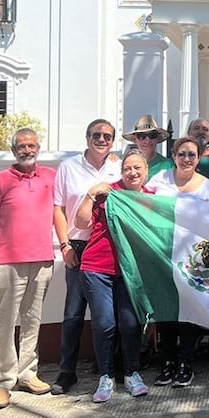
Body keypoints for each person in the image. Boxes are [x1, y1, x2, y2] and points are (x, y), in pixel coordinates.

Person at [0, 128, 56, 409]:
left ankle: (27, 374)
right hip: (8, 261)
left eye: (32, 145)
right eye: (22, 146)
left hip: (42, 259)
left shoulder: (50, 177)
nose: (27, 150)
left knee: (32, 319)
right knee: (4, 322)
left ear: (38, 147)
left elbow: (61, 209)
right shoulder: (2, 180)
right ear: (14, 151)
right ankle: (3, 382)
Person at [74, 151, 153, 403]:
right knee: (105, 324)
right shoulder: (108, 193)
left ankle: (132, 374)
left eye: (138, 168)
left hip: (131, 273)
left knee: (130, 325)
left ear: (146, 171)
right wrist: (91, 193)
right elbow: (81, 221)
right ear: (122, 171)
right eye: (128, 168)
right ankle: (106, 376)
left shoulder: (151, 200)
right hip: (97, 268)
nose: (133, 172)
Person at [51, 119, 122, 395]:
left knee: (111, 311)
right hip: (78, 246)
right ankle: (67, 372)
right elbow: (57, 209)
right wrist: (65, 245)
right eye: (96, 135)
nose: (101, 140)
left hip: (108, 244)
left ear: (113, 141)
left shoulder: (117, 166)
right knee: (73, 313)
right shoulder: (68, 167)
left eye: (107, 136)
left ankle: (107, 367)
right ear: (87, 137)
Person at [146, 136, 209, 388]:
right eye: (182, 154)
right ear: (174, 156)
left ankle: (185, 362)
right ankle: (167, 362)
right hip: (163, 253)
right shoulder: (160, 181)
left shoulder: (208, 187)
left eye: (192, 154)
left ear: (199, 158)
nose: (186, 159)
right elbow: (142, 205)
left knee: (189, 312)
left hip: (194, 257)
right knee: (168, 311)